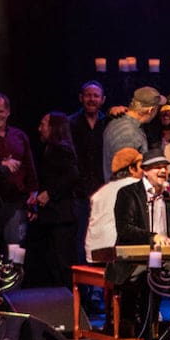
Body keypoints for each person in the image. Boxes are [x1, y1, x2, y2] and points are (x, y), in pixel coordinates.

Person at [107, 149, 170, 337]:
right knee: (151, 278)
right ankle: (147, 336)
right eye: (157, 168)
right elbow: (124, 229)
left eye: (165, 167)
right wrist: (153, 237)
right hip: (133, 262)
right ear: (145, 170)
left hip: (164, 258)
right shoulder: (128, 193)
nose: (163, 171)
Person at [28, 112, 80, 288]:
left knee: (64, 263)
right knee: (53, 264)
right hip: (52, 217)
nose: (39, 129)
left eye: (43, 124)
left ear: (54, 127)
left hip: (62, 217)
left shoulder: (62, 150)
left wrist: (50, 193)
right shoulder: (49, 149)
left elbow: (72, 175)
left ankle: (73, 303)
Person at [0, 92, 39, 247]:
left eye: (0, 112)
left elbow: (30, 166)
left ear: (8, 112)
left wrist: (33, 193)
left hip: (16, 202)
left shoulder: (19, 136)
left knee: (15, 248)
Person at [85, 148, 144, 263]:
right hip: (115, 254)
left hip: (92, 254)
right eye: (142, 166)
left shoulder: (100, 192)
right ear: (132, 169)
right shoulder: (134, 187)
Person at [102, 87, 161, 187]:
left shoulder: (118, 123)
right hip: (123, 197)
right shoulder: (129, 133)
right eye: (157, 109)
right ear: (151, 110)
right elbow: (124, 176)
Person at [69, 82, 108, 230]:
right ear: (81, 98)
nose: (92, 99)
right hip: (77, 192)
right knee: (79, 237)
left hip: (102, 190)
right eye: (88, 95)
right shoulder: (70, 123)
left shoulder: (108, 123)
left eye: (96, 96)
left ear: (102, 100)